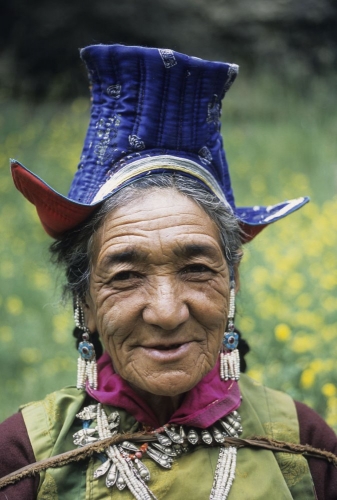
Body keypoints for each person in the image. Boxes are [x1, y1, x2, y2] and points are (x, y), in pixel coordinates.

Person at [0, 44, 336, 500]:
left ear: (232, 281)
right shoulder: (24, 458)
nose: (166, 312)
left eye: (196, 269)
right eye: (125, 276)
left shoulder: (304, 447)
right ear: (86, 301)